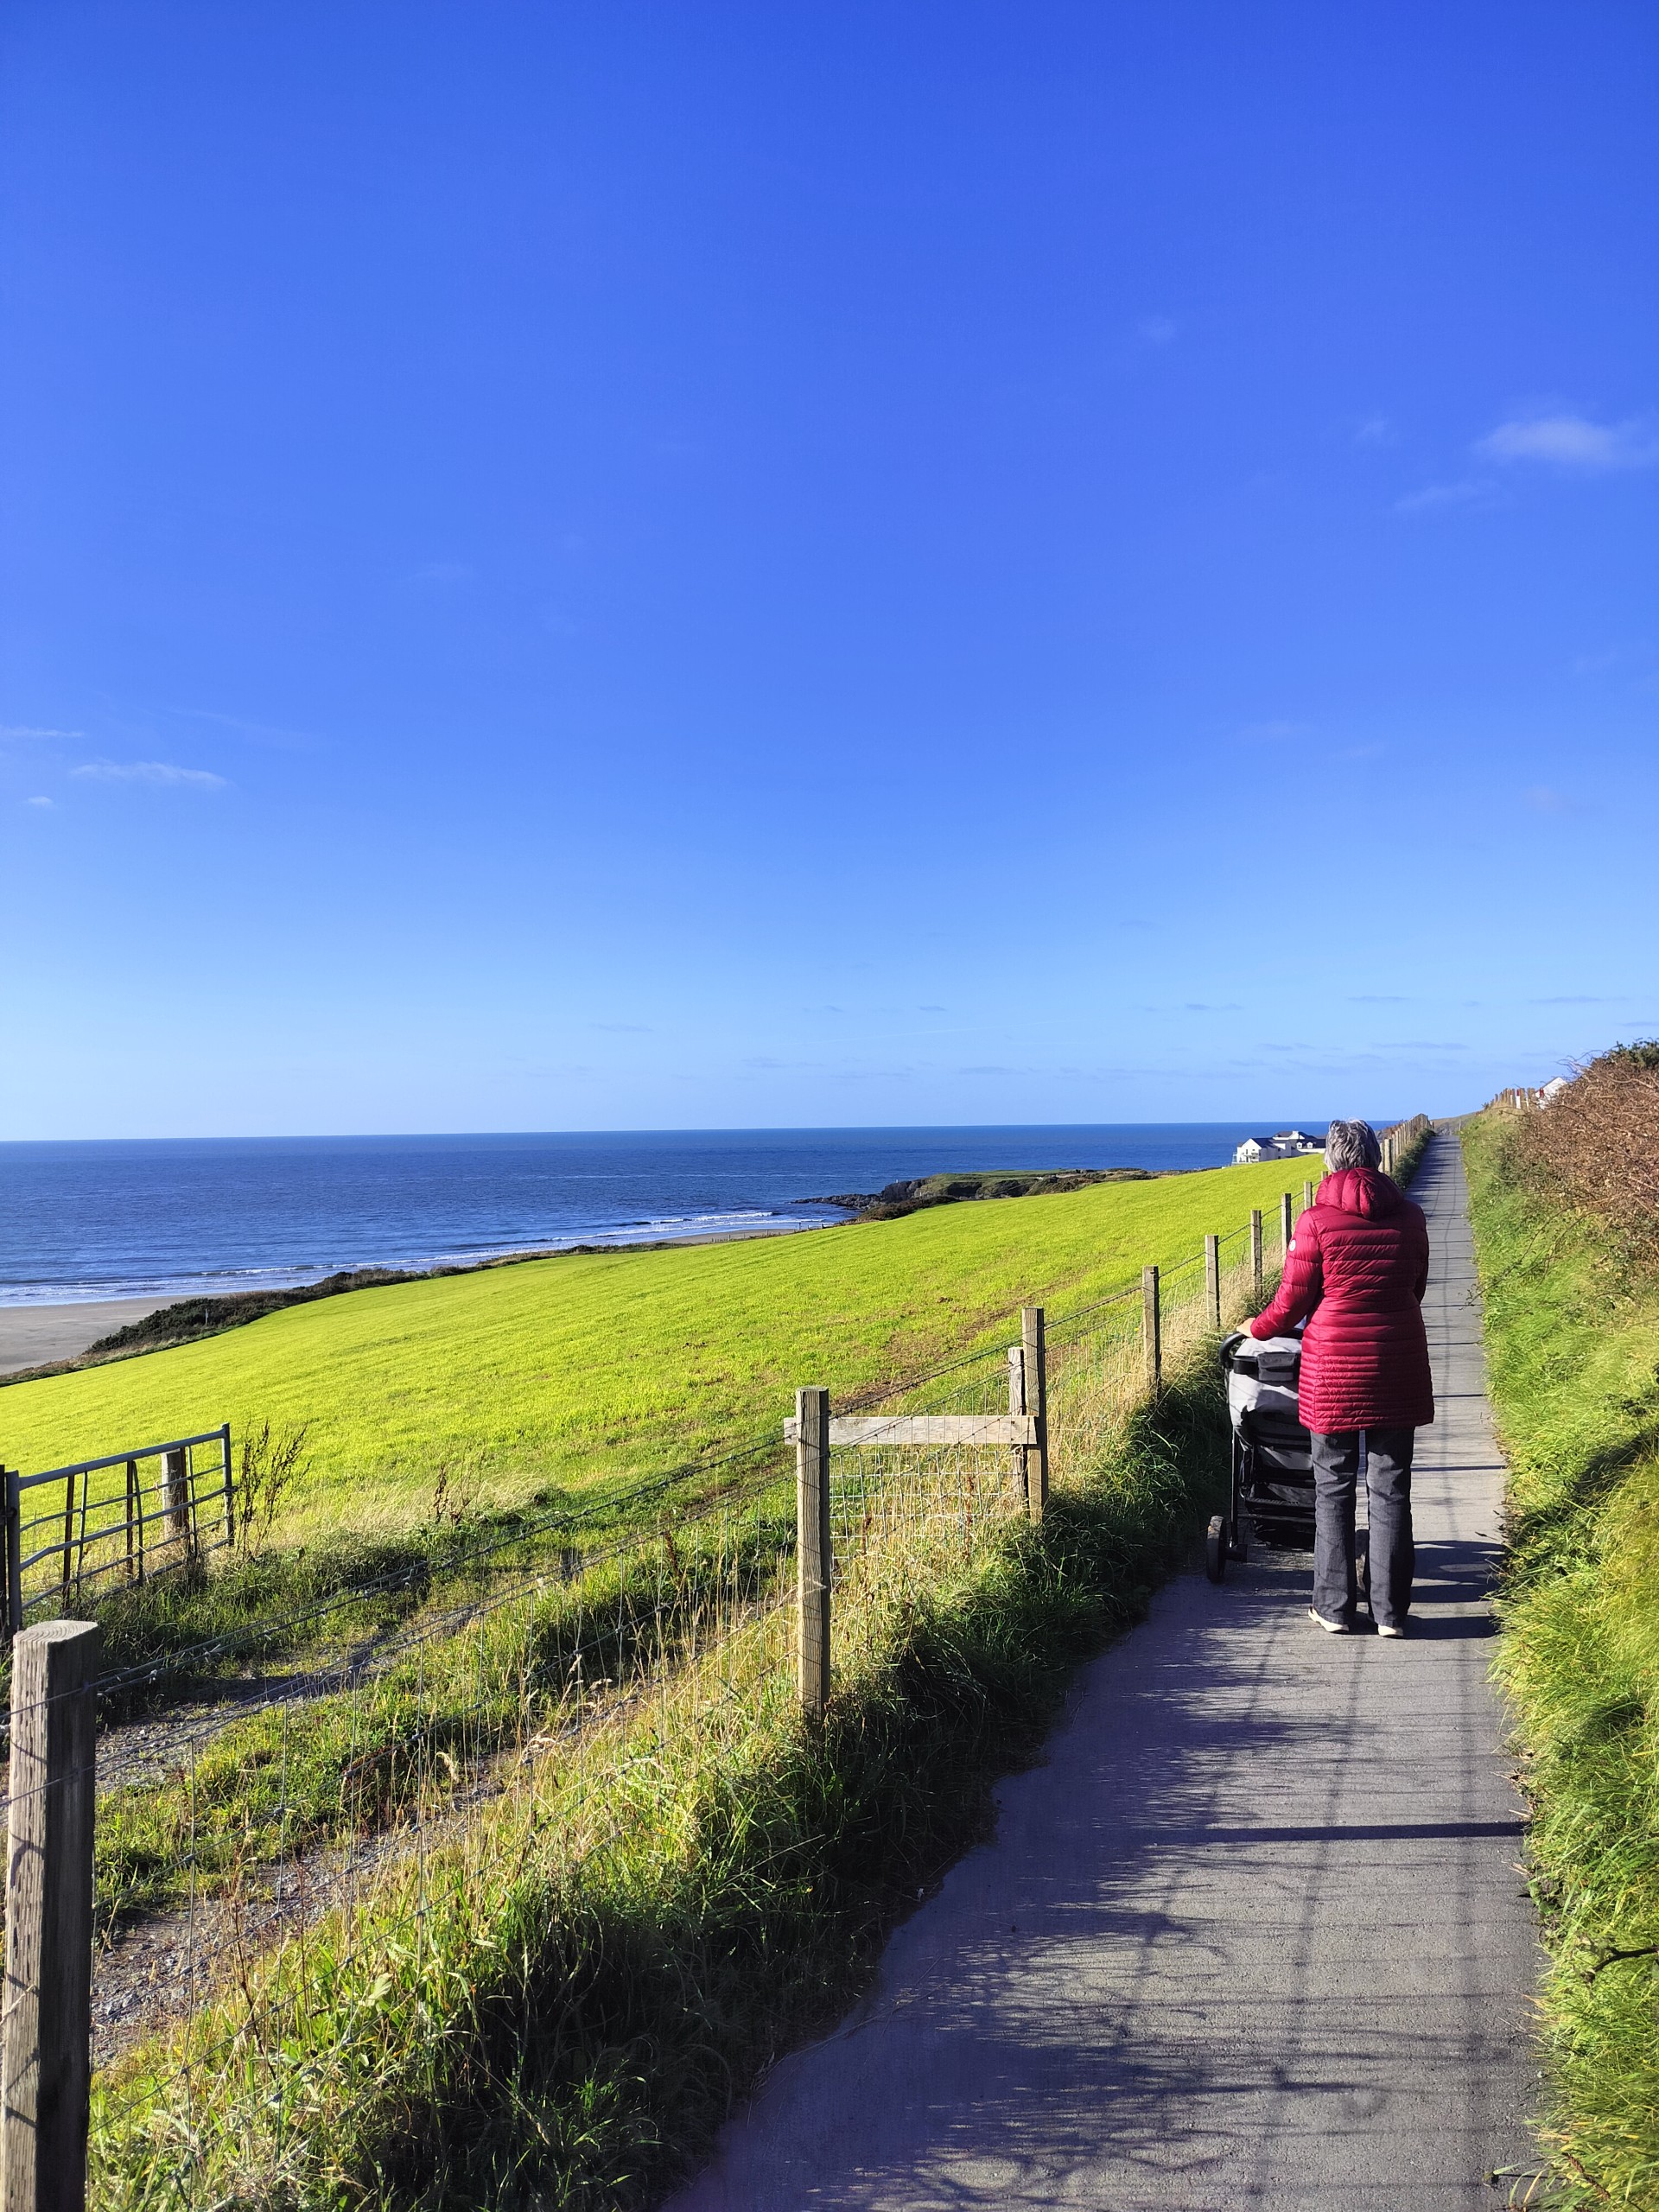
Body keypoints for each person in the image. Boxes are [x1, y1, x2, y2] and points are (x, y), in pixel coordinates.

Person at [1241, 1117, 1433, 1636]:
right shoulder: (1411, 1217)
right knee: (1392, 1489)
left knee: (1333, 1486)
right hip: (1399, 1363)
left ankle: (1334, 1607)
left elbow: (1290, 1305)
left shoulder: (1315, 1221)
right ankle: (1391, 1613)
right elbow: (1414, 1287)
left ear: (1331, 1159)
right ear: (1374, 1156)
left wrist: (1255, 1328)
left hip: (1334, 1371)